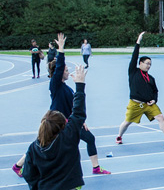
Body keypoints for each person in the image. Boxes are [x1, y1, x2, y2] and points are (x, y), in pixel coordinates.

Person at [12, 34, 110, 177]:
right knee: (40, 143)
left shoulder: (66, 87)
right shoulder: (55, 84)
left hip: (68, 121)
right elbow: (58, 68)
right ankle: (18, 166)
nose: (67, 72)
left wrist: (82, 121)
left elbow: (73, 106)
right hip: (55, 121)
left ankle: (96, 167)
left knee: (90, 138)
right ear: (58, 73)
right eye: (65, 70)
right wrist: (61, 49)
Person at [116, 32, 164, 148]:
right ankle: (119, 136)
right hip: (135, 104)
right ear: (140, 63)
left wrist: (154, 100)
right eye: (147, 63)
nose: (148, 66)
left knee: (161, 118)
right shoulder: (133, 72)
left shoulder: (151, 78)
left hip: (148, 104)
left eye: (150, 64)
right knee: (127, 122)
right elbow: (134, 56)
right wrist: (138, 42)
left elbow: (155, 91)